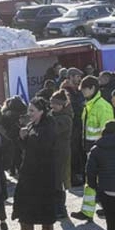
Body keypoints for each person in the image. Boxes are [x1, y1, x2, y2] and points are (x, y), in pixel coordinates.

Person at [13, 98, 59, 230]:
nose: (29, 113)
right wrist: (22, 138)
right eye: (29, 110)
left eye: (32, 110)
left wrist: (29, 138)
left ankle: (47, 228)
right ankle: (26, 227)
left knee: (44, 198)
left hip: (44, 169)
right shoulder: (32, 125)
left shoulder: (49, 125)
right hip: (29, 167)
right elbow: (26, 148)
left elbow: (45, 146)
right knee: (24, 196)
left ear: (41, 111)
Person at [73, 75, 114, 222]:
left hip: (99, 151)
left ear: (92, 89)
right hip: (91, 150)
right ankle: (87, 211)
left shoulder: (102, 106)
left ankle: (106, 208)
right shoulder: (89, 105)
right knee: (91, 181)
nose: (82, 92)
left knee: (100, 181)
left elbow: (108, 131)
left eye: (84, 89)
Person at [49, 91, 73, 219]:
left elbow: (54, 130)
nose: (52, 106)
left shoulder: (65, 118)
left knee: (59, 180)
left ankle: (61, 208)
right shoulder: (52, 115)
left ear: (62, 105)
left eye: (56, 104)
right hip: (52, 152)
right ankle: (55, 206)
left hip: (61, 153)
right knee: (53, 180)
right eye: (52, 103)